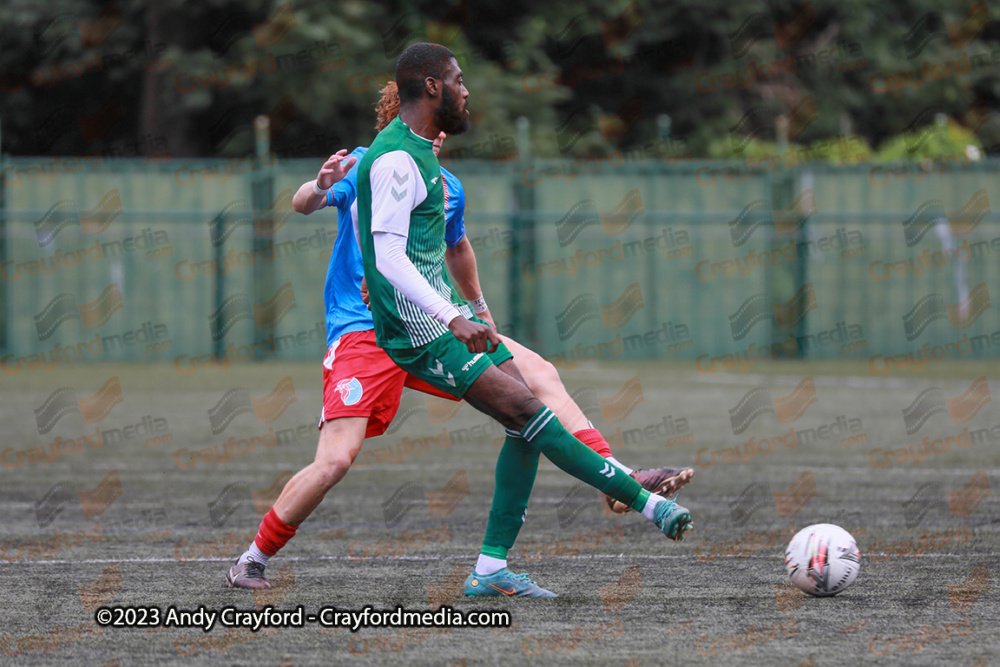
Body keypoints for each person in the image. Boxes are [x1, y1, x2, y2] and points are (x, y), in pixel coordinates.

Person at [224, 78, 694, 594]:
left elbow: (459, 249)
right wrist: (318, 185)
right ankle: (253, 557)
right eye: (447, 97)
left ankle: (616, 482)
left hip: (434, 323)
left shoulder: (447, 184)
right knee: (335, 460)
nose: (450, 118)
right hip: (366, 333)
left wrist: (480, 312)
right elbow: (302, 204)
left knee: (536, 379)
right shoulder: (372, 162)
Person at [355, 42, 693, 598]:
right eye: (458, 79)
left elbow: (431, 251)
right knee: (528, 410)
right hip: (418, 333)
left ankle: (490, 569)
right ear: (432, 86)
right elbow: (388, 256)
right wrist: (452, 317)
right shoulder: (394, 158)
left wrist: (468, 311)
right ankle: (647, 503)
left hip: (443, 319)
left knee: (525, 416)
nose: (467, 90)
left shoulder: (420, 154)